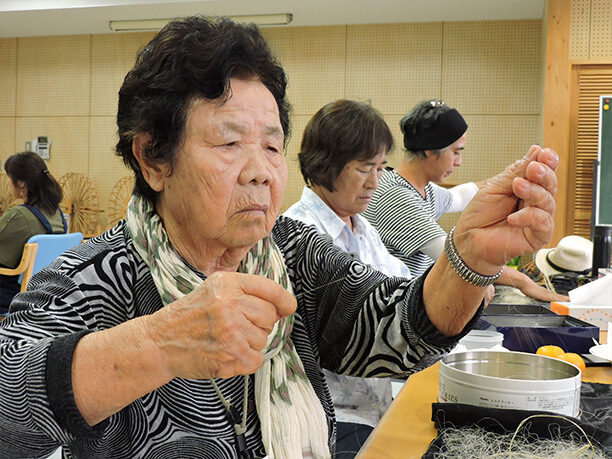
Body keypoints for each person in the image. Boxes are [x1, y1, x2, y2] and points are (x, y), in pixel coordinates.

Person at [0, 16, 559, 459]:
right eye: (228, 144)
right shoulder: (98, 276)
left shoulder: (291, 251)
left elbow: (391, 327)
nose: (261, 172)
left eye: (271, 146)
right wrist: (158, 344)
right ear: (153, 158)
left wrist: (468, 259)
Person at [283, 99, 413, 457]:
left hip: (372, 409)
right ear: (326, 165)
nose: (375, 182)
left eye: (381, 167)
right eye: (363, 168)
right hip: (328, 421)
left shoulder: (361, 226)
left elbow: (402, 289)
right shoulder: (300, 235)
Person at [363, 99, 567, 303]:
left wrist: (515, 176)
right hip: (388, 315)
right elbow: (455, 257)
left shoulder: (423, 189)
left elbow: (461, 195)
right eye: (456, 152)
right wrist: (525, 282)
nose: (459, 162)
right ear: (429, 148)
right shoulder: (395, 196)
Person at [0, 151, 67, 313]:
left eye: (9, 177)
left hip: (12, 295)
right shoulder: (56, 214)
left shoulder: (18, 216)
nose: (8, 182)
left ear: (21, 183)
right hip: (45, 293)